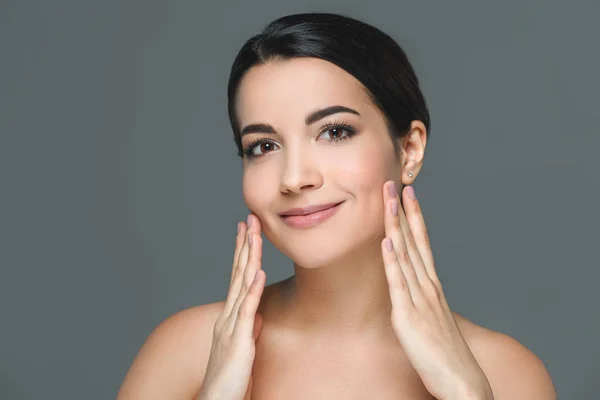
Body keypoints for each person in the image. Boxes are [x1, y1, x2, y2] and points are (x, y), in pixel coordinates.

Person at [117, 12, 556, 400]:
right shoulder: (189, 351)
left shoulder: (505, 374)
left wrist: (467, 394)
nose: (294, 178)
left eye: (334, 132)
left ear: (410, 149)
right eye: (263, 145)